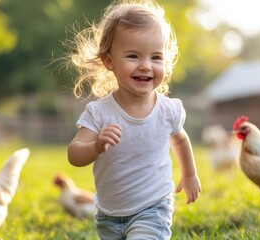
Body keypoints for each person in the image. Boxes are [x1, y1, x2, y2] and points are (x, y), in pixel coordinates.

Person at [65, 0, 201, 239]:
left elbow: (179, 140)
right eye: (133, 56)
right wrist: (96, 146)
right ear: (109, 61)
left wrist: (189, 174)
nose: (145, 66)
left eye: (156, 57)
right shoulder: (99, 113)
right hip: (108, 213)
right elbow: (74, 154)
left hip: (154, 206)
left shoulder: (168, 110)